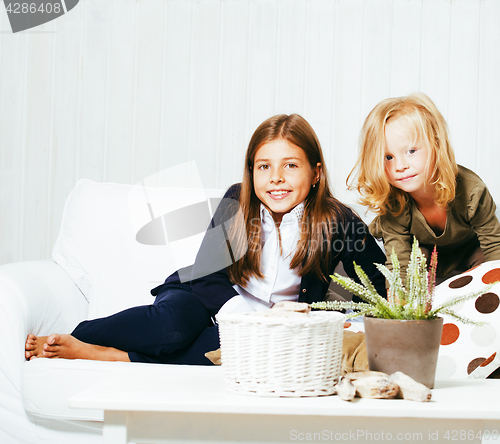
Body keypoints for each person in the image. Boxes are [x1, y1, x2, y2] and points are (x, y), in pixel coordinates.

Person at [25, 114, 386, 365]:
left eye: (290, 165)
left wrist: (341, 319)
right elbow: (207, 275)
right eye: (264, 166)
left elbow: (377, 284)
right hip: (201, 294)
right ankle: (83, 334)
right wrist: (241, 318)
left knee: (233, 352)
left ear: (316, 172)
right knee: (172, 327)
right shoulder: (237, 202)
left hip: (264, 325)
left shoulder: (336, 220)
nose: (276, 177)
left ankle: (113, 357)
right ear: (250, 172)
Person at [348, 92, 500, 283]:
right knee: (416, 257)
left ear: (436, 145)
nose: (400, 166)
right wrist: (397, 304)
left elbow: (494, 246)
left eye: (411, 151)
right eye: (388, 157)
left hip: (469, 250)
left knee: (488, 266)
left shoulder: (472, 192)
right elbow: (399, 264)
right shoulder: (394, 203)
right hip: (422, 253)